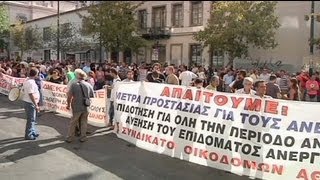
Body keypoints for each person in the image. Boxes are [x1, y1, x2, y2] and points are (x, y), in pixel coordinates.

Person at [66, 69, 94, 143]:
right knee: (84, 122)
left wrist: (68, 104)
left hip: (76, 105)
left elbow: (69, 96)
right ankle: (83, 137)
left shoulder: (74, 85)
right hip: (86, 105)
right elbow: (92, 95)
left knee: (73, 122)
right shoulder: (88, 85)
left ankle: (70, 137)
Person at [22, 68, 40, 140]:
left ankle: (33, 131)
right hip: (30, 103)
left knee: (33, 119)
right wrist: (36, 104)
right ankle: (28, 135)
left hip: (29, 102)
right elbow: (31, 94)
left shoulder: (28, 80)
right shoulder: (30, 82)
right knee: (31, 119)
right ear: (35, 74)